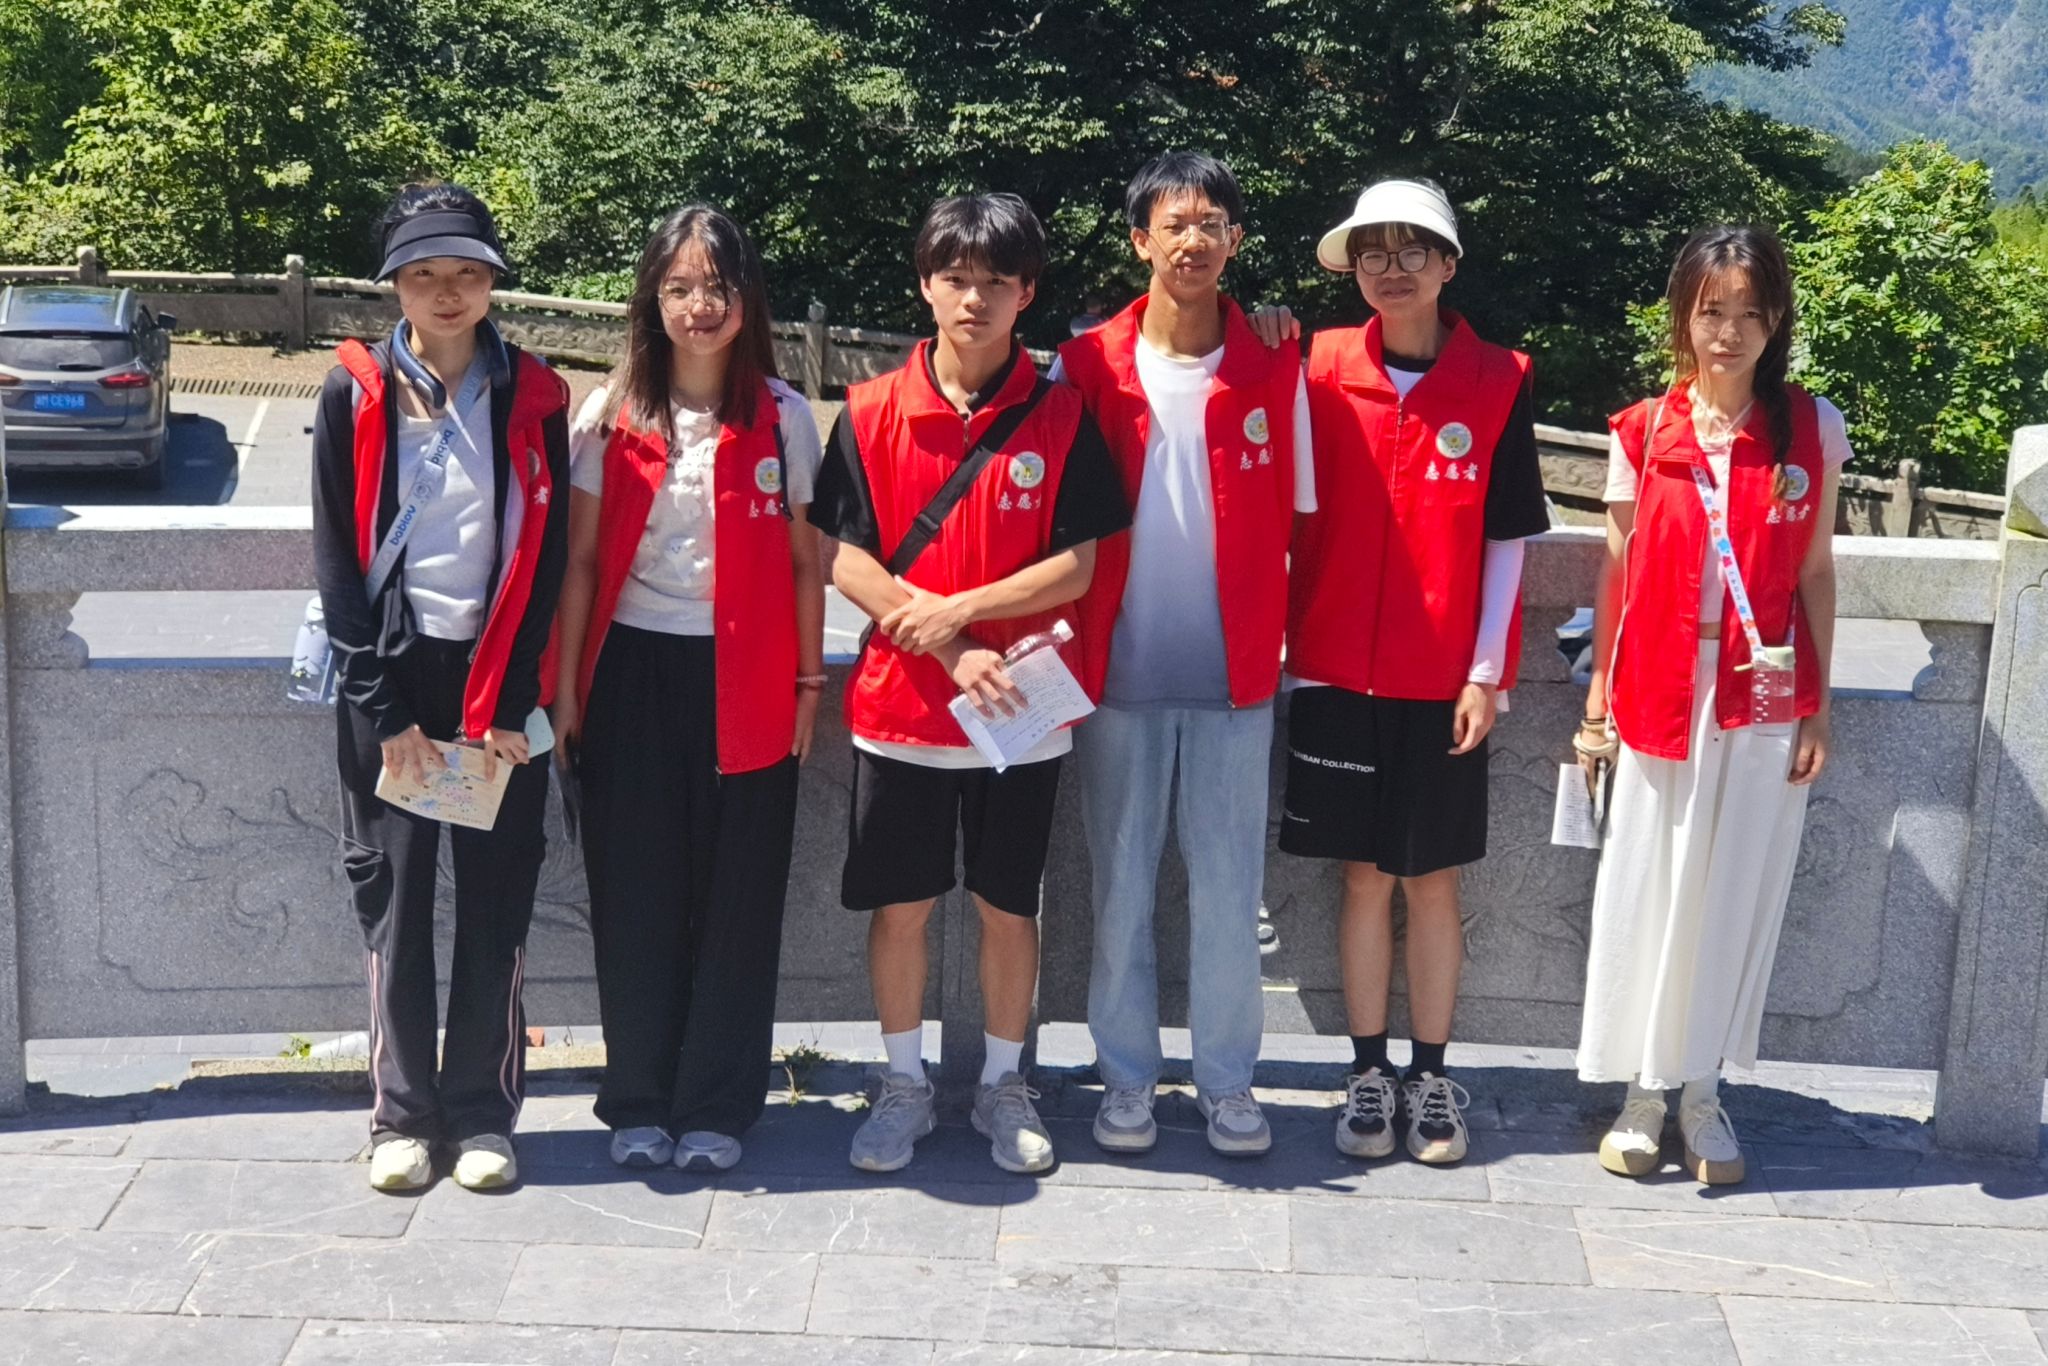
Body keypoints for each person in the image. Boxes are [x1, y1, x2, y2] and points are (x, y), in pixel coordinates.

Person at [808, 193, 1130, 1175]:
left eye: (996, 281)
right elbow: (840, 555)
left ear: (1027, 293)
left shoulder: (1062, 415)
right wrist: (950, 646)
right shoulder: (870, 410)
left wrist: (964, 609)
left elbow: (1076, 565)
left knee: (1007, 905)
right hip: (900, 712)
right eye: (955, 279)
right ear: (925, 284)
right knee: (900, 905)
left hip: (1020, 712)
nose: (974, 299)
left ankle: (1002, 1083)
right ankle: (902, 1083)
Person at [549, 205, 826, 1173]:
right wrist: (567, 692)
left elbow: (806, 563)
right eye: (679, 288)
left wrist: (808, 684)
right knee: (636, 893)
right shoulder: (612, 414)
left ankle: (716, 1103)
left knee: (738, 893)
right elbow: (582, 564)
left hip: (749, 672)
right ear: (651, 299)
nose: (700, 306)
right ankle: (638, 1098)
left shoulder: (785, 417)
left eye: (718, 286)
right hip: (630, 669)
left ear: (748, 300)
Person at [1282, 178, 1550, 1166]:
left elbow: (1507, 539)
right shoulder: (1314, 368)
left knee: (1430, 880)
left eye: (1411, 251)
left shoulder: (1498, 380)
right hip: (1330, 668)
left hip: (1441, 680)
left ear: (1447, 265)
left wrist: (1485, 671)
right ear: (1351, 267)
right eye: (1372, 253)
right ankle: (1367, 1074)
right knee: (1360, 877)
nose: (1390, 270)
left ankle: (1431, 1078)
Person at [1053, 151, 1315, 1158]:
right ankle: (1124, 1078)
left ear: (1235, 240)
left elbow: (1302, 513)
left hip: (1236, 674)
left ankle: (1227, 1082)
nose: (1193, 240)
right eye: (1174, 223)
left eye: (1211, 223)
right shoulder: (1086, 367)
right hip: (1111, 670)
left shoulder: (1273, 363)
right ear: (1140, 241)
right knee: (1117, 885)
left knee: (1227, 891)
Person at [311, 183, 570, 1192]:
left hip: (496, 679)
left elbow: (548, 557)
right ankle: (402, 1119)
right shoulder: (354, 392)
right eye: (424, 275)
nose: (448, 291)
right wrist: (385, 713)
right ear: (396, 286)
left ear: (493, 281)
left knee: (497, 901)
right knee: (398, 902)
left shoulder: (534, 394)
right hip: (393, 673)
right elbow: (337, 564)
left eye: (467, 272)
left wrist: (509, 702)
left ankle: (483, 1113)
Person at [1574, 225, 1845, 1186]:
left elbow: (1815, 572)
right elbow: (1617, 570)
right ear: (1682, 317)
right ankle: (1643, 1092)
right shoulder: (1646, 429)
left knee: (1732, 889)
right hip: (1659, 685)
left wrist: (1818, 708)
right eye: (1710, 312)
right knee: (1650, 882)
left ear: (1777, 323)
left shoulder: (1811, 428)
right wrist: (1598, 699)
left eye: (1749, 314)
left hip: (1761, 694)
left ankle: (1702, 1091)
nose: (1728, 333)